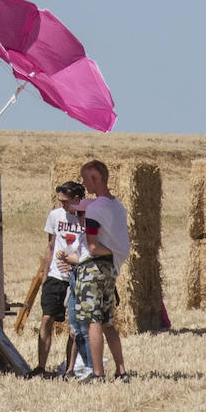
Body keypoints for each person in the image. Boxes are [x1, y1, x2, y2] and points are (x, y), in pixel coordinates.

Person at [73, 159, 131, 383]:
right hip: (110, 271)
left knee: (93, 321)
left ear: (95, 179)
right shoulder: (117, 205)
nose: (84, 183)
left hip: (93, 268)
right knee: (108, 322)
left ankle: (97, 374)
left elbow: (93, 246)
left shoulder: (95, 210)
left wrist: (107, 252)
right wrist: (115, 254)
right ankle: (121, 370)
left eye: (85, 179)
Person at [31, 181, 86, 378]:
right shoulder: (55, 216)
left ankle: (69, 370)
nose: (61, 204)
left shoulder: (88, 219)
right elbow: (51, 246)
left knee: (74, 325)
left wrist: (75, 263)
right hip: (56, 275)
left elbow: (92, 248)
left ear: (77, 200)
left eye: (65, 201)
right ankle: (41, 367)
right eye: (60, 201)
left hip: (78, 274)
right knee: (47, 318)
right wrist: (46, 274)